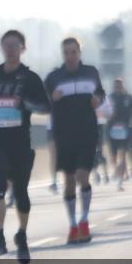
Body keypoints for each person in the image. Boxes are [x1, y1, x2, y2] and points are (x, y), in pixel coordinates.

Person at [0, 30, 51, 263]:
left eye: (15, 46)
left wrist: (23, 103)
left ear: (22, 48)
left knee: (21, 192)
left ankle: (22, 235)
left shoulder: (30, 78)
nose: (10, 50)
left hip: (21, 141)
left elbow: (45, 107)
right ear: (1, 48)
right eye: (7, 45)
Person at [44, 38, 106, 244]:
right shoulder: (54, 77)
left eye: (73, 52)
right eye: (66, 53)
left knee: (82, 176)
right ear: (62, 54)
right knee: (69, 182)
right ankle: (72, 225)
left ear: (80, 52)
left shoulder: (91, 72)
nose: (70, 56)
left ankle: (84, 220)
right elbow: (41, 102)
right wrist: (52, 97)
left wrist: (98, 100)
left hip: (87, 132)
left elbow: (101, 93)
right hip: (64, 134)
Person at [105, 78, 132, 191]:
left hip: (125, 130)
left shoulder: (128, 98)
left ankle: (120, 182)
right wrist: (108, 115)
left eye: (120, 85)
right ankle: (118, 171)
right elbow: (105, 112)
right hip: (112, 130)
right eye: (116, 85)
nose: (118, 87)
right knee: (113, 157)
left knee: (123, 154)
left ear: (123, 86)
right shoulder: (109, 98)